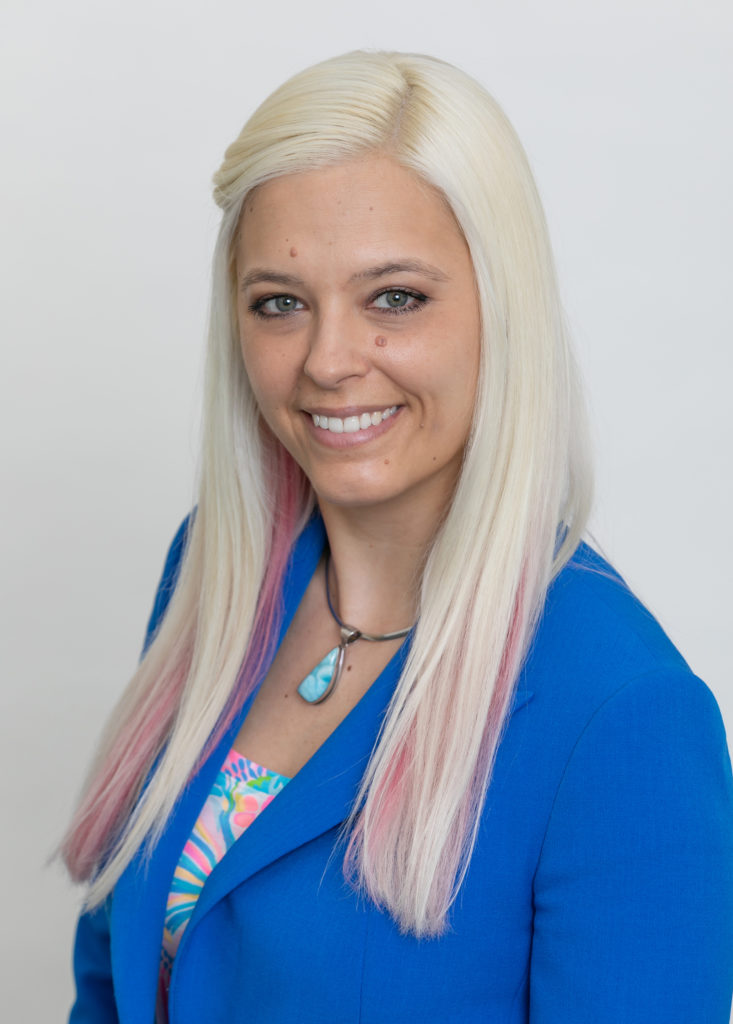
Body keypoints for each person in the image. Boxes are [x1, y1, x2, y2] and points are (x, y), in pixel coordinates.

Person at [62, 51, 733, 1023]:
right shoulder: (213, 572)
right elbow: (112, 977)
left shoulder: (622, 716)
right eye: (279, 303)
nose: (329, 359)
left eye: (395, 298)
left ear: (501, 311)